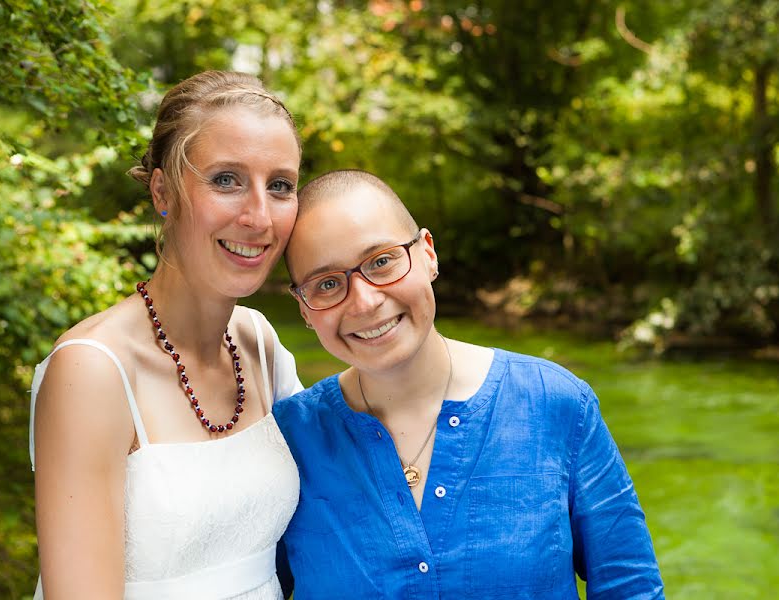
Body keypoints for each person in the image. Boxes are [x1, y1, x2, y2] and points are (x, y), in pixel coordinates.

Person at [273, 169, 665, 599]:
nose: (365, 301)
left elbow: (631, 589)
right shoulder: (289, 438)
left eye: (382, 261)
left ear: (428, 254)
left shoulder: (556, 405)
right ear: (305, 309)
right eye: (327, 284)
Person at [29, 71, 304, 600]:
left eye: (280, 185)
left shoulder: (259, 343)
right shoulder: (91, 371)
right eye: (226, 179)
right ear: (163, 191)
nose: (259, 216)